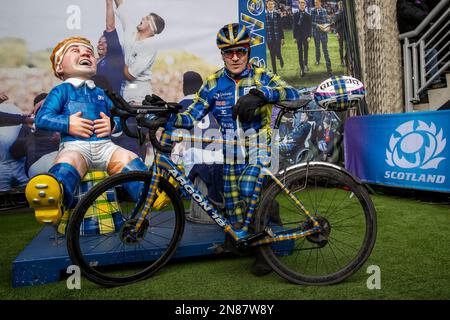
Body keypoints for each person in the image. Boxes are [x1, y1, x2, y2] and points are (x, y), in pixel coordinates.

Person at [147, 23, 299, 276]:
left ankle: (264, 250)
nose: (235, 57)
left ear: (248, 50)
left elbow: (293, 93)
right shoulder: (214, 82)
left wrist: (262, 94)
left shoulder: (262, 75)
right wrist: (167, 114)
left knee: (249, 187)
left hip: (259, 142)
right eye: (229, 52)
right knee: (234, 204)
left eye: (240, 50)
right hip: (228, 147)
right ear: (222, 54)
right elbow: (192, 115)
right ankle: (261, 217)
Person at [25, 36, 148, 225]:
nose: (85, 53)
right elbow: (42, 118)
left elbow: (116, 116)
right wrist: (67, 123)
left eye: (89, 52)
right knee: (69, 162)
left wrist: (112, 125)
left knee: (127, 157)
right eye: (75, 50)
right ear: (59, 67)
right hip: (76, 147)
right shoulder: (61, 91)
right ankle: (54, 197)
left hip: (105, 146)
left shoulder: (101, 93)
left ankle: (148, 194)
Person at [114, 0, 165, 103]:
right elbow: (121, 5)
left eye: (147, 19)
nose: (143, 18)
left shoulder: (149, 47)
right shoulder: (131, 29)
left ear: (152, 28)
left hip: (139, 97)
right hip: (123, 92)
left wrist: (116, 58)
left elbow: (129, 75)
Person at [9, 93, 61, 178]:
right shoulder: (63, 120)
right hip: (58, 162)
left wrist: (30, 140)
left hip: (35, 167)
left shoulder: (29, 124)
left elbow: (15, 152)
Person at [94, 0, 125, 95]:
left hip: (111, 105)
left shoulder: (114, 57)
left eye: (105, 42)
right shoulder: (92, 62)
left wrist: (109, 2)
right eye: (99, 41)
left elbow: (110, 27)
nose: (101, 44)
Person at [310, 0, 332, 74]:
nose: (315, 4)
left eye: (317, 2)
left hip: (323, 34)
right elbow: (311, 22)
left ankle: (329, 68)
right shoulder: (312, 11)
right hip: (316, 33)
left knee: (325, 50)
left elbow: (327, 21)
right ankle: (318, 60)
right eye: (315, 2)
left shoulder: (324, 11)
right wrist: (318, 25)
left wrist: (328, 27)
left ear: (320, 3)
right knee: (317, 48)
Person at [292, 0, 312, 77]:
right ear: (298, 5)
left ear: (305, 5)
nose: (302, 5)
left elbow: (310, 27)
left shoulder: (308, 15)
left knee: (306, 51)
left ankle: (306, 64)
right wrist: (294, 37)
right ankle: (302, 68)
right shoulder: (295, 15)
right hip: (298, 37)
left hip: (306, 36)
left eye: (303, 4)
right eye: (300, 4)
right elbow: (294, 26)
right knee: (300, 52)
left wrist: (309, 36)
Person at [265, 0, 285, 74]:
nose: (270, 5)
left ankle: (280, 58)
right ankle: (275, 72)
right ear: (267, 5)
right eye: (269, 4)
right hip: (269, 38)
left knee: (278, 52)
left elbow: (280, 27)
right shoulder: (264, 16)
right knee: (272, 54)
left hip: (277, 37)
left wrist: (282, 38)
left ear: (274, 5)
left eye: (272, 4)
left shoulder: (277, 14)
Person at [334, 1, 345, 66]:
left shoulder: (346, 13)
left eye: (342, 4)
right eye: (340, 4)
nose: (341, 5)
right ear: (338, 6)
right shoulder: (337, 14)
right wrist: (336, 32)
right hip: (340, 32)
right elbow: (335, 24)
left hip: (346, 32)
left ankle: (346, 58)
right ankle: (341, 60)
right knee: (341, 46)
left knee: (347, 46)